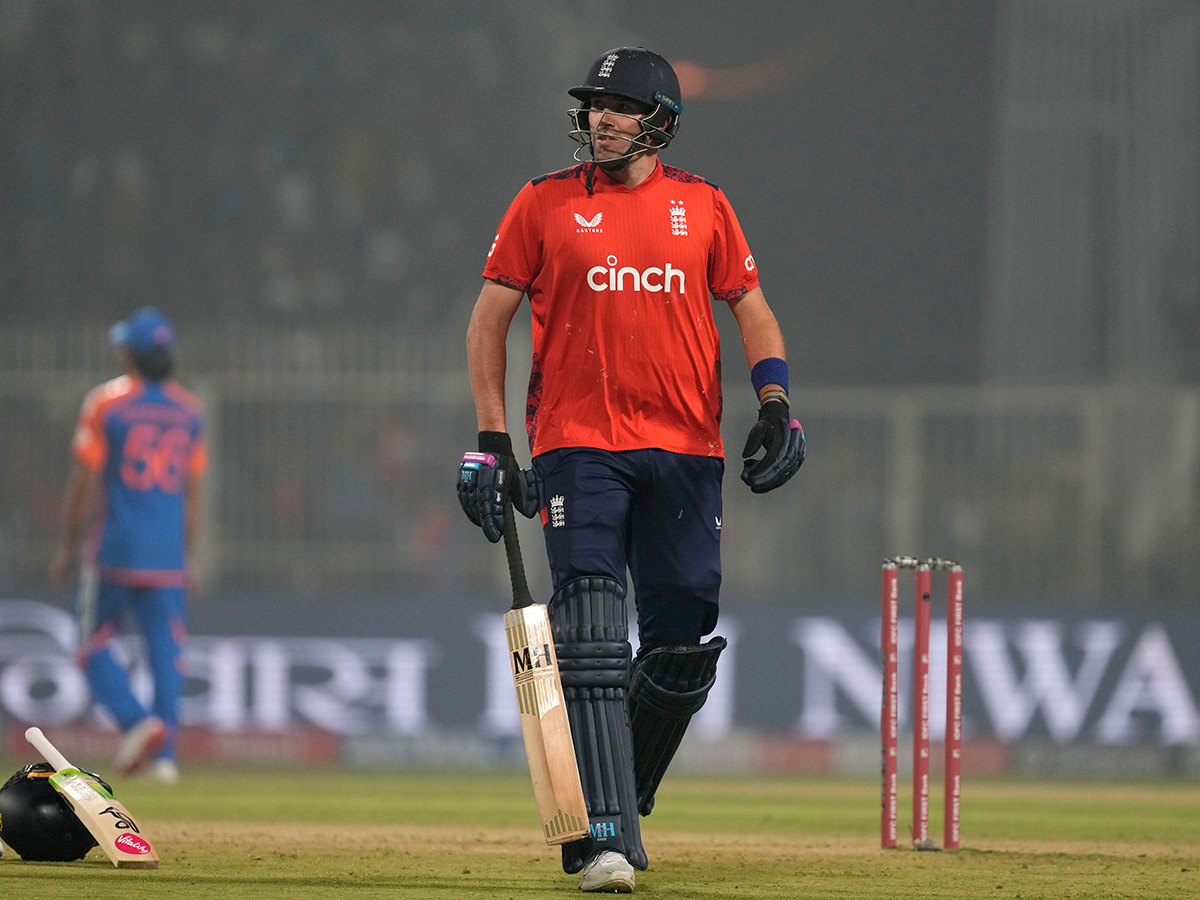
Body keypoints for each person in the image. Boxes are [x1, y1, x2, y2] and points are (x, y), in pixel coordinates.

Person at [457, 47, 805, 892]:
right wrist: (493, 441)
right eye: (594, 105)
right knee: (590, 633)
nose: (601, 119)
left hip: (687, 449)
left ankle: (620, 786)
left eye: (619, 106)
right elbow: (487, 323)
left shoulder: (704, 206)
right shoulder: (543, 203)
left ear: (660, 121)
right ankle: (601, 837)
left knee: (682, 643)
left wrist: (774, 405)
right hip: (579, 444)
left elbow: (751, 309)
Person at [49, 307, 208, 784]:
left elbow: (85, 478)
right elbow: (192, 492)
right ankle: (165, 760)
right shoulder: (189, 411)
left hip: (115, 546)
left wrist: (66, 544)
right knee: (166, 653)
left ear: (131, 355)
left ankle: (137, 724)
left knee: (89, 644)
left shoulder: (107, 404)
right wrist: (191, 552)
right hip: (168, 553)